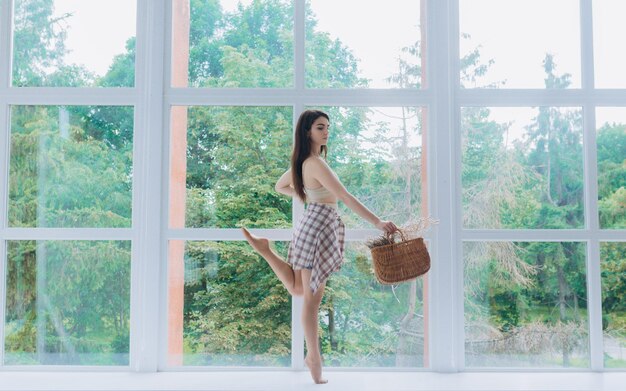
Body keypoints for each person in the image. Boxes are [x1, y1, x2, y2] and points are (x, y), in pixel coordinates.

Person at [241, 109, 398, 384]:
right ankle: (313, 357)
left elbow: (281, 186)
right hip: (319, 228)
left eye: (327, 127)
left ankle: (266, 250)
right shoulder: (315, 163)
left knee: (300, 289)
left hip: (311, 223)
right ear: (307, 132)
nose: (326, 132)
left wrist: (308, 196)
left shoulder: (303, 163)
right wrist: (378, 221)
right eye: (320, 128)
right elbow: (344, 197)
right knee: (311, 302)